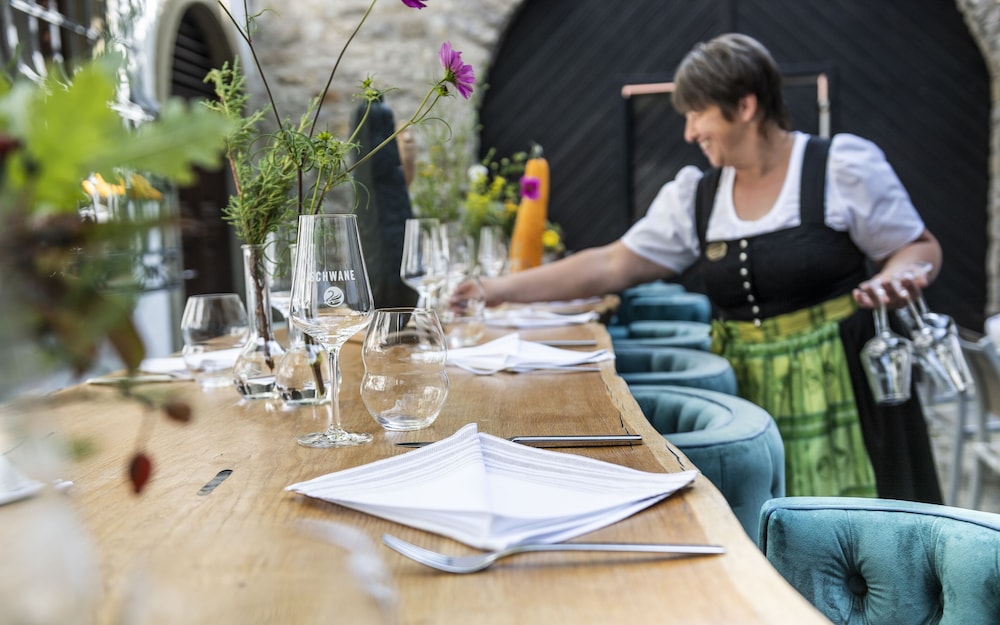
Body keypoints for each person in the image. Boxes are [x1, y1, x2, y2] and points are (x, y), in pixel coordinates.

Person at [454, 33, 943, 503]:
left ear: (745, 106)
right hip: (748, 395)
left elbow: (917, 247)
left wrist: (895, 276)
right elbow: (611, 263)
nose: (689, 132)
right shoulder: (698, 196)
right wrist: (495, 289)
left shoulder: (839, 167)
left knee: (852, 527)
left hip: (844, 387)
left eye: (697, 113)